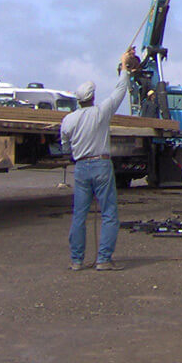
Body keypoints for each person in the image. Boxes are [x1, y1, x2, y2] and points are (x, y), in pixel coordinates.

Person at [60, 57, 130, 271]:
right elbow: (120, 91)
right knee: (108, 213)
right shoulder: (101, 113)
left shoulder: (68, 120)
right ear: (93, 98)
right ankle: (103, 259)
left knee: (79, 214)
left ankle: (76, 260)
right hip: (101, 165)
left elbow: (65, 147)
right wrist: (124, 68)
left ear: (78, 100)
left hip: (81, 167)